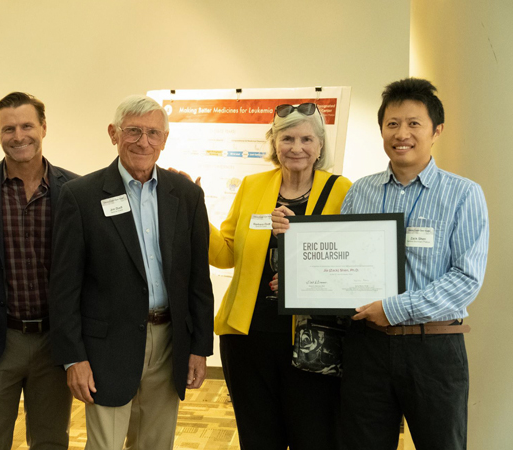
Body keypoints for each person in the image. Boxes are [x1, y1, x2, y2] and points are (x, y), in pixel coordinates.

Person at [49, 95, 214, 450]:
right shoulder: (80, 196)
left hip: (169, 342)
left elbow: (198, 278)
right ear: (114, 134)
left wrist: (200, 346)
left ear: (165, 140)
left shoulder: (185, 195)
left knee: (156, 444)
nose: (144, 142)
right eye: (134, 131)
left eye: (154, 133)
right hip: (106, 347)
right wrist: (73, 358)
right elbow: (63, 287)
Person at [338, 78, 489, 450]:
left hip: (433, 348)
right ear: (382, 130)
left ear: (436, 130)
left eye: (413, 123)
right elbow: (343, 260)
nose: (401, 133)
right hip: (366, 348)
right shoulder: (361, 191)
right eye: (392, 124)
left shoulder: (464, 193)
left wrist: (393, 308)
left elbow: (465, 278)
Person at [207, 103, 352, 450]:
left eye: (306, 138)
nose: (296, 147)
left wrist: (301, 273)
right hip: (248, 337)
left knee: (312, 436)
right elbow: (226, 254)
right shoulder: (253, 185)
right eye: (287, 138)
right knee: (257, 436)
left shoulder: (341, 190)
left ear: (320, 146)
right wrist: (196, 212)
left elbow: (349, 263)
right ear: (274, 144)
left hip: (312, 338)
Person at [0, 92, 76, 450]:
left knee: (51, 441)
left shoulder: (75, 190)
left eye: (27, 125)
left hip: (55, 343)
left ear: (44, 128)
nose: (18, 136)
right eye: (8, 128)